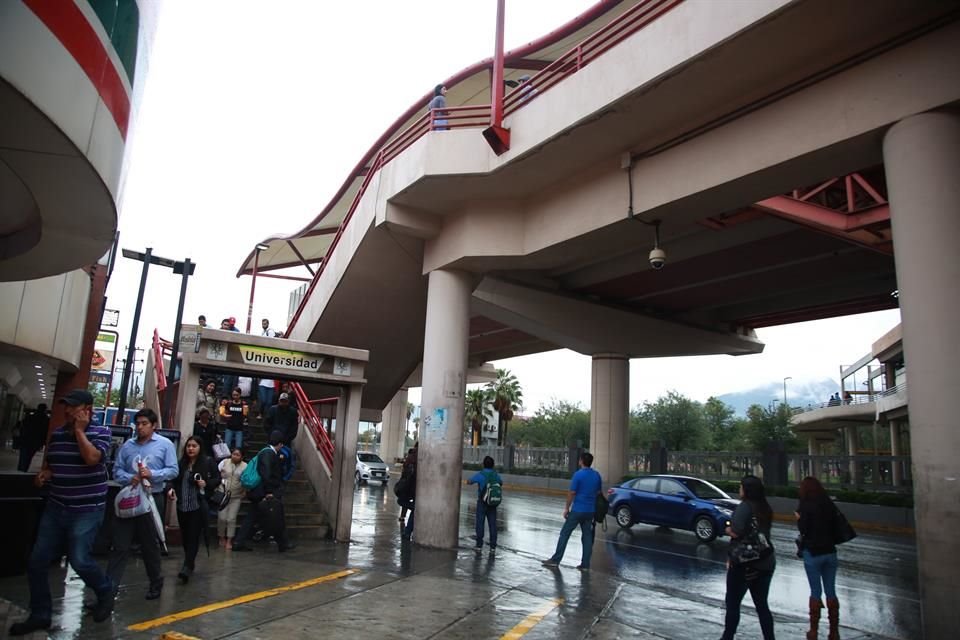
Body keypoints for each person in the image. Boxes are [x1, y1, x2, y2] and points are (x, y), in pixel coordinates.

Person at [8, 390, 115, 635]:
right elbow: (51, 465)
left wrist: (79, 431)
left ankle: (104, 589)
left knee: (79, 559)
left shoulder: (101, 433)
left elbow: (91, 459)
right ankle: (40, 613)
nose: (68, 411)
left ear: (86, 409)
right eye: (66, 406)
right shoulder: (56, 435)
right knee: (37, 560)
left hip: (86, 509)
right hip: (56, 507)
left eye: (73, 406)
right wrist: (45, 474)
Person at [108, 408, 178, 600]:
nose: (140, 427)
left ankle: (155, 581)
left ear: (153, 425)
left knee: (149, 544)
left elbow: (173, 470)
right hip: (129, 497)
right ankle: (108, 589)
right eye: (138, 423)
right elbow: (117, 470)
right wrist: (129, 478)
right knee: (120, 545)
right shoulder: (128, 446)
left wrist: (153, 474)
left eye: (144, 423)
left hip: (152, 497)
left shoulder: (164, 445)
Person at [721, 475, 777, 640]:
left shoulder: (745, 507)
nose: (739, 490)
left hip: (744, 562)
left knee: (733, 603)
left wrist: (727, 530)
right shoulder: (765, 508)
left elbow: (736, 531)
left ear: (746, 490)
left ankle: (728, 636)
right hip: (766, 561)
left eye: (741, 487)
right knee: (762, 605)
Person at [167, 436, 220, 584]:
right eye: (188, 446)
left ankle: (187, 566)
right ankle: (189, 561)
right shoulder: (181, 464)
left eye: (194, 446)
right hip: (182, 505)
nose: (190, 448)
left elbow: (217, 479)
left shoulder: (207, 462)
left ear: (200, 447)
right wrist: (170, 489)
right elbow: (173, 479)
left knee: (193, 536)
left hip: (198, 505)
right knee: (185, 536)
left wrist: (206, 483)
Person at [232, 430, 294, 552]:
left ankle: (239, 541)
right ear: (280, 444)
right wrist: (269, 491)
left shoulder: (265, 452)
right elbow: (266, 474)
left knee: (255, 516)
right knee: (276, 516)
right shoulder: (268, 454)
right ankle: (283, 543)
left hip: (259, 491)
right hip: (264, 492)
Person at [796, 476, 842, 640]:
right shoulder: (828, 504)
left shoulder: (805, 505)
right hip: (830, 551)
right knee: (831, 591)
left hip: (812, 553)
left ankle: (814, 631)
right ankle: (834, 632)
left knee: (816, 592)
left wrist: (799, 519)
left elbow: (803, 529)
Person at [542, 452, 602, 571]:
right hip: (590, 511)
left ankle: (555, 560)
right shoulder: (596, 475)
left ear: (581, 461)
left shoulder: (578, 475)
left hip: (578, 510)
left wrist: (566, 508)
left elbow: (572, 493)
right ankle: (585, 565)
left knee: (565, 533)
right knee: (587, 537)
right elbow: (598, 493)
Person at [467, 455, 501, 551]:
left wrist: (470, 482)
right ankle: (493, 546)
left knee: (480, 523)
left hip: (482, 502)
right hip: (492, 503)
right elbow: (500, 482)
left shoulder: (480, 474)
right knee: (492, 524)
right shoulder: (495, 475)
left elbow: (469, 481)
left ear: (483, 464)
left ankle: (479, 545)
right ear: (493, 465)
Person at [217, 448, 247, 549]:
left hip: (236, 496)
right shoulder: (224, 462)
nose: (235, 456)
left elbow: (246, 480)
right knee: (222, 517)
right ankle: (221, 537)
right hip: (223, 494)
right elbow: (217, 474)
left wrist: (245, 491)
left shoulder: (245, 466)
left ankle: (229, 539)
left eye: (238, 455)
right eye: (234, 454)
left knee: (231, 518)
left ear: (242, 457)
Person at [17, 403, 49, 472]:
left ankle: (21, 470)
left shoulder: (30, 417)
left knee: (23, 457)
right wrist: (43, 442)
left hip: (25, 440)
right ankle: (23, 469)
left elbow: (23, 428)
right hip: (35, 442)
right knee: (28, 457)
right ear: (45, 410)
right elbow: (44, 432)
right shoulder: (45, 419)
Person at [397, 447, 417, 540]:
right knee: (412, 507)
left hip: (411, 488)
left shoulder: (412, 458)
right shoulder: (413, 459)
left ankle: (408, 532)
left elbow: (405, 473)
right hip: (411, 488)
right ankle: (407, 531)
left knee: (403, 502)